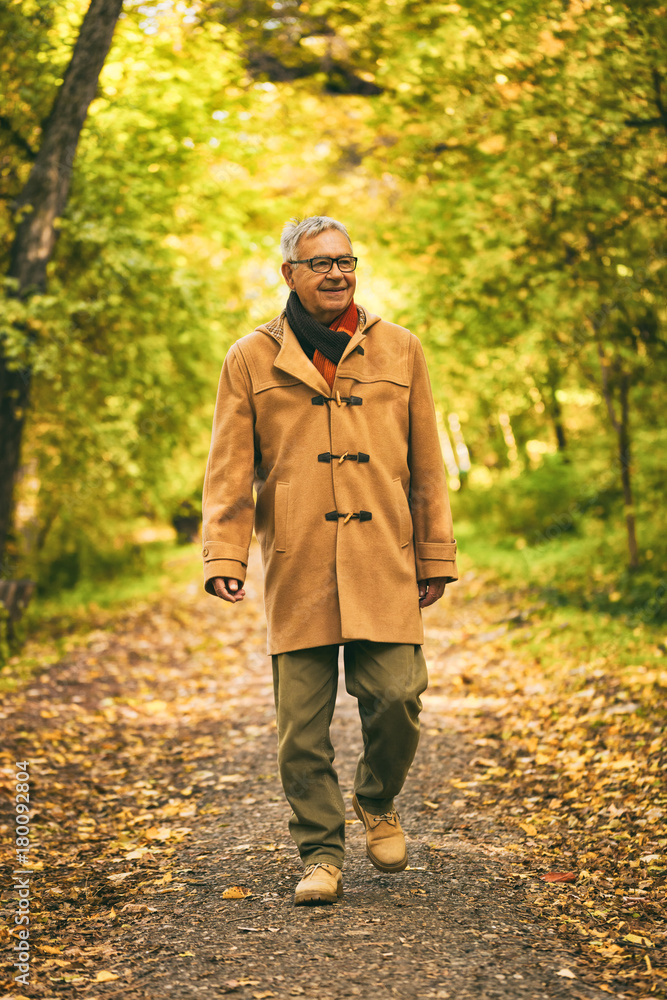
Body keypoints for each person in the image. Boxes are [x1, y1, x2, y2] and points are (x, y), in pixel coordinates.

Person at [201, 216, 458, 906]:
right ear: (289, 273)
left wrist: (434, 551)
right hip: (299, 559)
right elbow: (228, 470)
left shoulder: (400, 350)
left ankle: (376, 799)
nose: (336, 273)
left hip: (384, 555)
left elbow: (427, 465)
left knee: (398, 694)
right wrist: (225, 552)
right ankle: (320, 854)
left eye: (345, 260)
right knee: (300, 731)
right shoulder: (250, 358)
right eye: (319, 263)